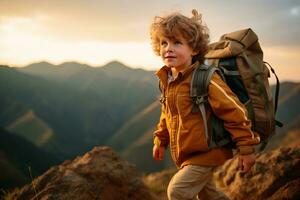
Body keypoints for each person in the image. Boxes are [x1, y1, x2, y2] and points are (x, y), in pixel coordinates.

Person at [150, 9, 261, 200]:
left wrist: (246, 148)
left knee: (177, 192)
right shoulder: (168, 79)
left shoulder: (205, 79)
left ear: (194, 49)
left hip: (207, 152)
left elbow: (234, 112)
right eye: (164, 43)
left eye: (177, 42)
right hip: (188, 154)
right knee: (209, 195)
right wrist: (161, 139)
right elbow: (167, 113)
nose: (168, 48)